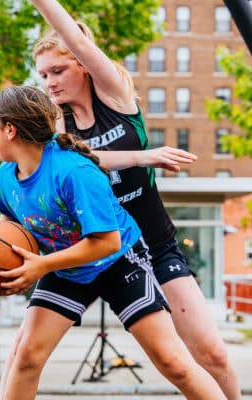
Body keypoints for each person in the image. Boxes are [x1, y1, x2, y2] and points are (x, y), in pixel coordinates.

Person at [28, 1, 240, 398]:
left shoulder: (116, 98)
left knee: (211, 354)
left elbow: (74, 36)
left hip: (155, 247)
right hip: (93, 252)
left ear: (84, 65)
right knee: (25, 358)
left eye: (58, 70)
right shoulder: (57, 125)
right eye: (43, 75)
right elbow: (80, 160)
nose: (50, 82)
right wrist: (144, 156)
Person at [0, 85, 227, 400]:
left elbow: (107, 242)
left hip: (119, 261)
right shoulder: (5, 177)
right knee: (27, 357)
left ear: (10, 130)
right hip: (67, 267)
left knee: (174, 363)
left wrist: (41, 264)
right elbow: (12, 224)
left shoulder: (75, 171)